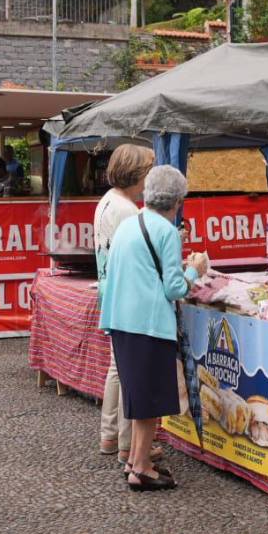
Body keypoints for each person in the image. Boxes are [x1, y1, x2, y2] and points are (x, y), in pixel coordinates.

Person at [98, 166, 207, 491]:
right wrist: (195, 270)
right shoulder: (167, 232)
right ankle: (142, 468)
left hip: (120, 321)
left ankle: (135, 458)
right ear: (177, 200)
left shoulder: (129, 225)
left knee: (137, 396)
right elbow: (174, 288)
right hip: (148, 324)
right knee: (149, 402)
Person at [92, 143, 158, 466]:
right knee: (128, 370)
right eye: (147, 172)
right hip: (128, 296)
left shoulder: (107, 201)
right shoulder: (128, 211)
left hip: (110, 291)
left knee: (117, 367)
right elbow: (140, 258)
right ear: (137, 173)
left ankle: (110, 435)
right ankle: (127, 443)